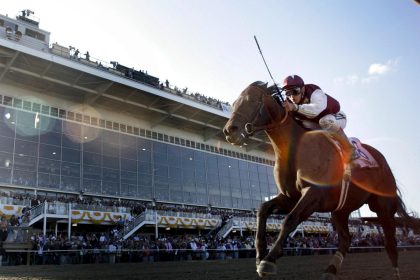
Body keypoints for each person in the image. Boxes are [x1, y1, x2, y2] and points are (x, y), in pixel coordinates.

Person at [281, 74, 356, 164]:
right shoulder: (289, 103)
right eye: (288, 93)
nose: (292, 96)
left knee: (325, 121)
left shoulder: (315, 92)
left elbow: (316, 109)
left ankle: (349, 148)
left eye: (295, 91)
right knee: (303, 125)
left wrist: (295, 108)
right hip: (317, 124)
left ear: (303, 89)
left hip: (336, 116)